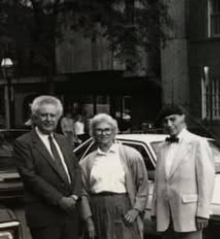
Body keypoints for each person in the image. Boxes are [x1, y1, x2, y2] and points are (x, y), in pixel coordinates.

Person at [13, 95, 82, 239]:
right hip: (44, 217)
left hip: (70, 214)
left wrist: (75, 196)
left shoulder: (64, 140)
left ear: (58, 118)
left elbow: (76, 169)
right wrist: (59, 200)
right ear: (35, 117)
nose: (49, 119)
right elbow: (29, 176)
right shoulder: (23, 143)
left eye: (53, 115)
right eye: (44, 115)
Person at [79, 113, 149, 239]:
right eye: (98, 130)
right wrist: (88, 220)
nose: (103, 133)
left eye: (107, 130)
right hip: (97, 210)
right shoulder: (86, 162)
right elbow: (82, 192)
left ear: (114, 132)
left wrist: (136, 209)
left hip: (124, 208)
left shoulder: (131, 155)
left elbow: (142, 185)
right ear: (93, 133)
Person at [152, 104, 215, 238]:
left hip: (190, 214)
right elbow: (158, 182)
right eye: (165, 121)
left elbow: (206, 181)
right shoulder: (162, 147)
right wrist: (154, 211)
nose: (169, 124)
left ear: (183, 118)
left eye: (172, 119)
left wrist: (203, 212)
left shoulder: (197, 143)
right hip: (165, 215)